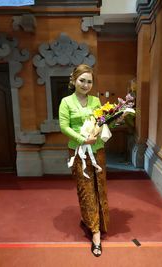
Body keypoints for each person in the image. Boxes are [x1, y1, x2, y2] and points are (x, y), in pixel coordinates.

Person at [59, 64, 109, 257]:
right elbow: (64, 126)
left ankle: (98, 221)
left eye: (89, 81)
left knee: (100, 187)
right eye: (82, 80)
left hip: (97, 151)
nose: (86, 85)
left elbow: (101, 121)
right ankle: (95, 232)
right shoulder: (66, 102)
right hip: (78, 151)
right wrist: (82, 139)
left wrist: (111, 119)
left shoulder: (96, 100)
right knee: (86, 189)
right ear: (74, 80)